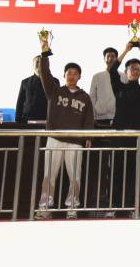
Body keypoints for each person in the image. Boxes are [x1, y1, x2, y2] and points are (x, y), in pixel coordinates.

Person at [35, 41, 94, 220]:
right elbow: (45, 73)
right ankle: (45, 208)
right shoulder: (54, 91)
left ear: (79, 77)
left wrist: (88, 137)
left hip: (76, 141)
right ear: (64, 75)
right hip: (54, 138)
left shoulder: (85, 97)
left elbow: (89, 119)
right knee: (49, 175)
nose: (72, 76)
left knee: (75, 177)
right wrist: (44, 53)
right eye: (69, 73)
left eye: (75, 73)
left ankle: (72, 208)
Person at [107, 40, 140, 215]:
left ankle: (133, 208)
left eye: (137, 69)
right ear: (126, 72)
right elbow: (112, 70)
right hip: (119, 136)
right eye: (132, 68)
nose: (135, 71)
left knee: (134, 174)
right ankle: (114, 207)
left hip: (137, 137)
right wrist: (126, 50)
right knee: (116, 172)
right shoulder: (119, 87)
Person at [15, 56, 59, 123]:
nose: (39, 64)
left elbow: (57, 102)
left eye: (42, 62)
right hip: (28, 119)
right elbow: (20, 103)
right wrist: (17, 121)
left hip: (47, 119)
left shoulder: (55, 81)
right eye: (37, 62)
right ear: (33, 65)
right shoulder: (25, 82)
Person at [90, 47, 127, 126]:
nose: (110, 58)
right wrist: (92, 116)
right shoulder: (97, 76)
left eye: (113, 56)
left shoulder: (124, 76)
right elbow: (92, 97)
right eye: (108, 56)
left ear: (117, 59)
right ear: (104, 59)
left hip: (118, 117)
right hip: (99, 118)